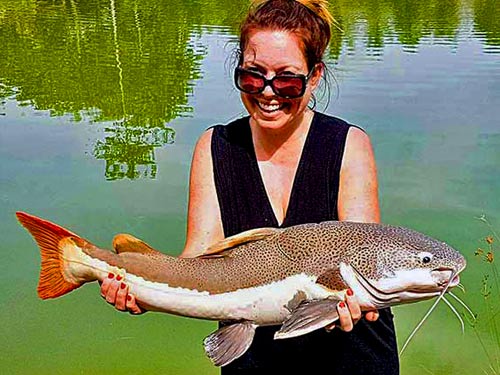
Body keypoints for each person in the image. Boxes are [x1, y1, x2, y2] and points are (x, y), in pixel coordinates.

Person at [100, 0, 399, 373]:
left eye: (287, 79)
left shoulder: (348, 144)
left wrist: (360, 299)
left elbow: (364, 251)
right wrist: (144, 289)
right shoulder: (215, 147)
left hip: (350, 358)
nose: (268, 92)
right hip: (254, 358)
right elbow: (199, 260)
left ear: (315, 75)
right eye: (253, 76)